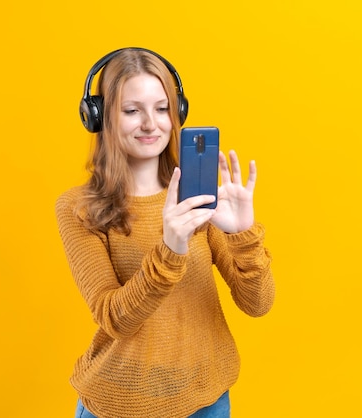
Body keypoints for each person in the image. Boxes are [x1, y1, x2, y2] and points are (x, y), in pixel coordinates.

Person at [55, 47, 275, 418]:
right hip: (121, 403)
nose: (150, 123)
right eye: (131, 110)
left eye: (162, 108)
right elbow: (114, 317)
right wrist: (170, 249)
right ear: (100, 117)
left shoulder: (199, 196)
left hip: (206, 399)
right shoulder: (79, 207)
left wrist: (243, 235)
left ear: (178, 114)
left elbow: (258, 304)